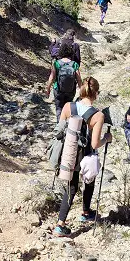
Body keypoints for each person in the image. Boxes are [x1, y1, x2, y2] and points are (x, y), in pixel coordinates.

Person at [53, 77, 111, 237]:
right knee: (89, 180)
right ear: (96, 94)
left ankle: (60, 224)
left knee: (71, 187)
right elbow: (94, 144)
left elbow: (60, 130)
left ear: (81, 90)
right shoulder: (98, 115)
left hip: (66, 152)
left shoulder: (67, 106)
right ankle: (85, 212)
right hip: (83, 155)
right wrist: (107, 138)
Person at [46, 42, 82, 122]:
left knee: (59, 108)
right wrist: (81, 90)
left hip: (58, 89)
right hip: (70, 90)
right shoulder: (74, 64)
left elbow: (52, 77)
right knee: (68, 107)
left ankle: (59, 126)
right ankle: (67, 126)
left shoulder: (56, 63)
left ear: (61, 52)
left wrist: (48, 89)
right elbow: (79, 79)